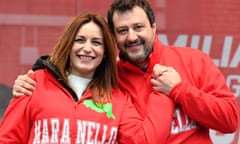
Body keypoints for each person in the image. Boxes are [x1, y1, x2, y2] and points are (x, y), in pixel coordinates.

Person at [11, 0, 239, 143]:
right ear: (114, 38)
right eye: (122, 30)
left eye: (138, 27)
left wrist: (180, 90)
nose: (132, 37)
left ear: (153, 27)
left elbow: (229, 121)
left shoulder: (193, 60)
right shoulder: (111, 80)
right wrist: (39, 75)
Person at [0, 12, 174, 143]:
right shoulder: (33, 83)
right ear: (68, 45)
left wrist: (165, 92)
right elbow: (8, 139)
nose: (87, 48)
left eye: (96, 42)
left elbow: (144, 141)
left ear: (105, 53)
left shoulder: (118, 100)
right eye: (80, 40)